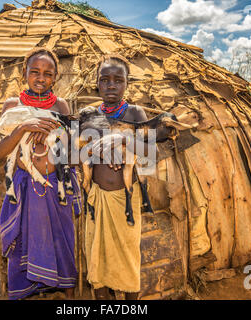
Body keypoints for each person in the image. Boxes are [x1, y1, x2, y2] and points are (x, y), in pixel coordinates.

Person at [0, 48, 81, 300]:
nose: (40, 78)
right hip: (23, 187)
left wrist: (56, 137)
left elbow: (73, 155)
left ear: (55, 78)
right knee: (23, 241)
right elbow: (0, 152)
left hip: (56, 188)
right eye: (35, 72)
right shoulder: (13, 105)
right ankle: (23, 292)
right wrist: (23, 128)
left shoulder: (61, 105)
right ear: (24, 74)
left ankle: (68, 298)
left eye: (47, 73)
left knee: (61, 241)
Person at [84, 54, 155, 300]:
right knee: (98, 259)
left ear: (127, 83)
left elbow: (151, 153)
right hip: (96, 201)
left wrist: (123, 139)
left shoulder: (135, 113)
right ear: (97, 83)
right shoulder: (89, 115)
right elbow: (72, 154)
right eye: (104, 80)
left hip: (126, 201)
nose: (111, 85)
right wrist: (96, 148)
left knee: (127, 258)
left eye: (118, 80)